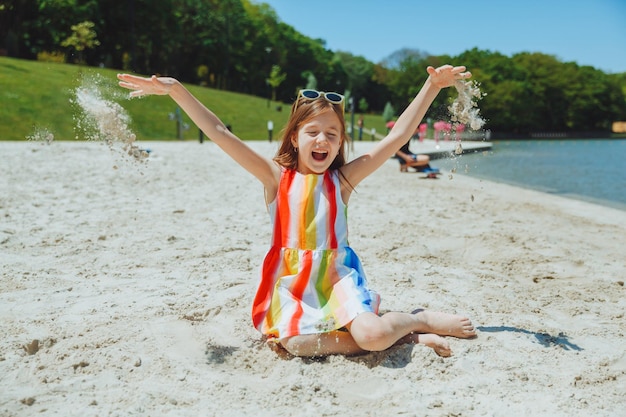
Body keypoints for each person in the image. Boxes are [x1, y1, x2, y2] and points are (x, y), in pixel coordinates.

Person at [117, 65, 476, 358]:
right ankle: (407, 340)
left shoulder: (343, 181)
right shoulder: (275, 178)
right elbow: (220, 133)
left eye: (333, 134)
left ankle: (416, 321)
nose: (323, 140)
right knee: (298, 345)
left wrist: (431, 86)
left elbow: (397, 137)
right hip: (292, 286)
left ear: (339, 144)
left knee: (372, 332)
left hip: (336, 281)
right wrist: (177, 89)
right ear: (294, 137)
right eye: (313, 131)